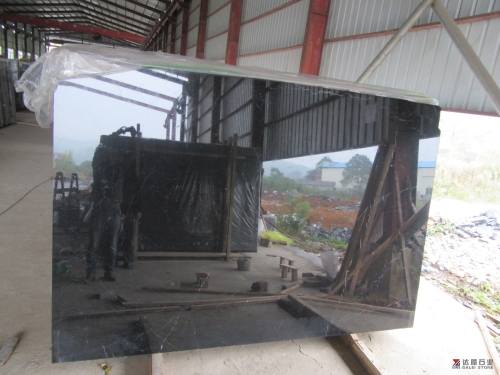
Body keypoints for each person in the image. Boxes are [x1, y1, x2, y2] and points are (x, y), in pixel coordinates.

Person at [85, 145, 125, 282]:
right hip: (100, 209)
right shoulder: (100, 170)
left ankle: (109, 271)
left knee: (112, 244)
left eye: (115, 156)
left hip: (114, 210)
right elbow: (96, 160)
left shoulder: (119, 170)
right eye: (111, 155)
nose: (114, 158)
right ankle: (91, 273)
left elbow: (128, 159)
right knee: (94, 243)